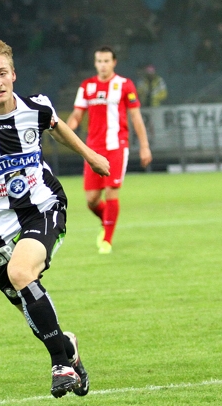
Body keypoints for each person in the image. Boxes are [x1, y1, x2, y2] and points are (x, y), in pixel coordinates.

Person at [0, 40, 109, 398]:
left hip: (44, 207)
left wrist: (91, 156)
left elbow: (57, 126)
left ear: (13, 75)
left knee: (20, 273)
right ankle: (68, 349)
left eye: (2, 73)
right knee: (26, 300)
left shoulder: (36, 108)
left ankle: (60, 364)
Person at [66, 46, 152, 254]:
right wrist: (69, 126)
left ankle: (107, 240)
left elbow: (136, 117)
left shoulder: (124, 85)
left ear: (114, 62)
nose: (102, 65)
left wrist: (144, 146)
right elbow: (77, 114)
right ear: (95, 63)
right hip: (92, 149)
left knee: (112, 193)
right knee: (91, 200)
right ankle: (106, 222)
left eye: (106, 61)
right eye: (99, 61)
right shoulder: (87, 86)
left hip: (116, 147)